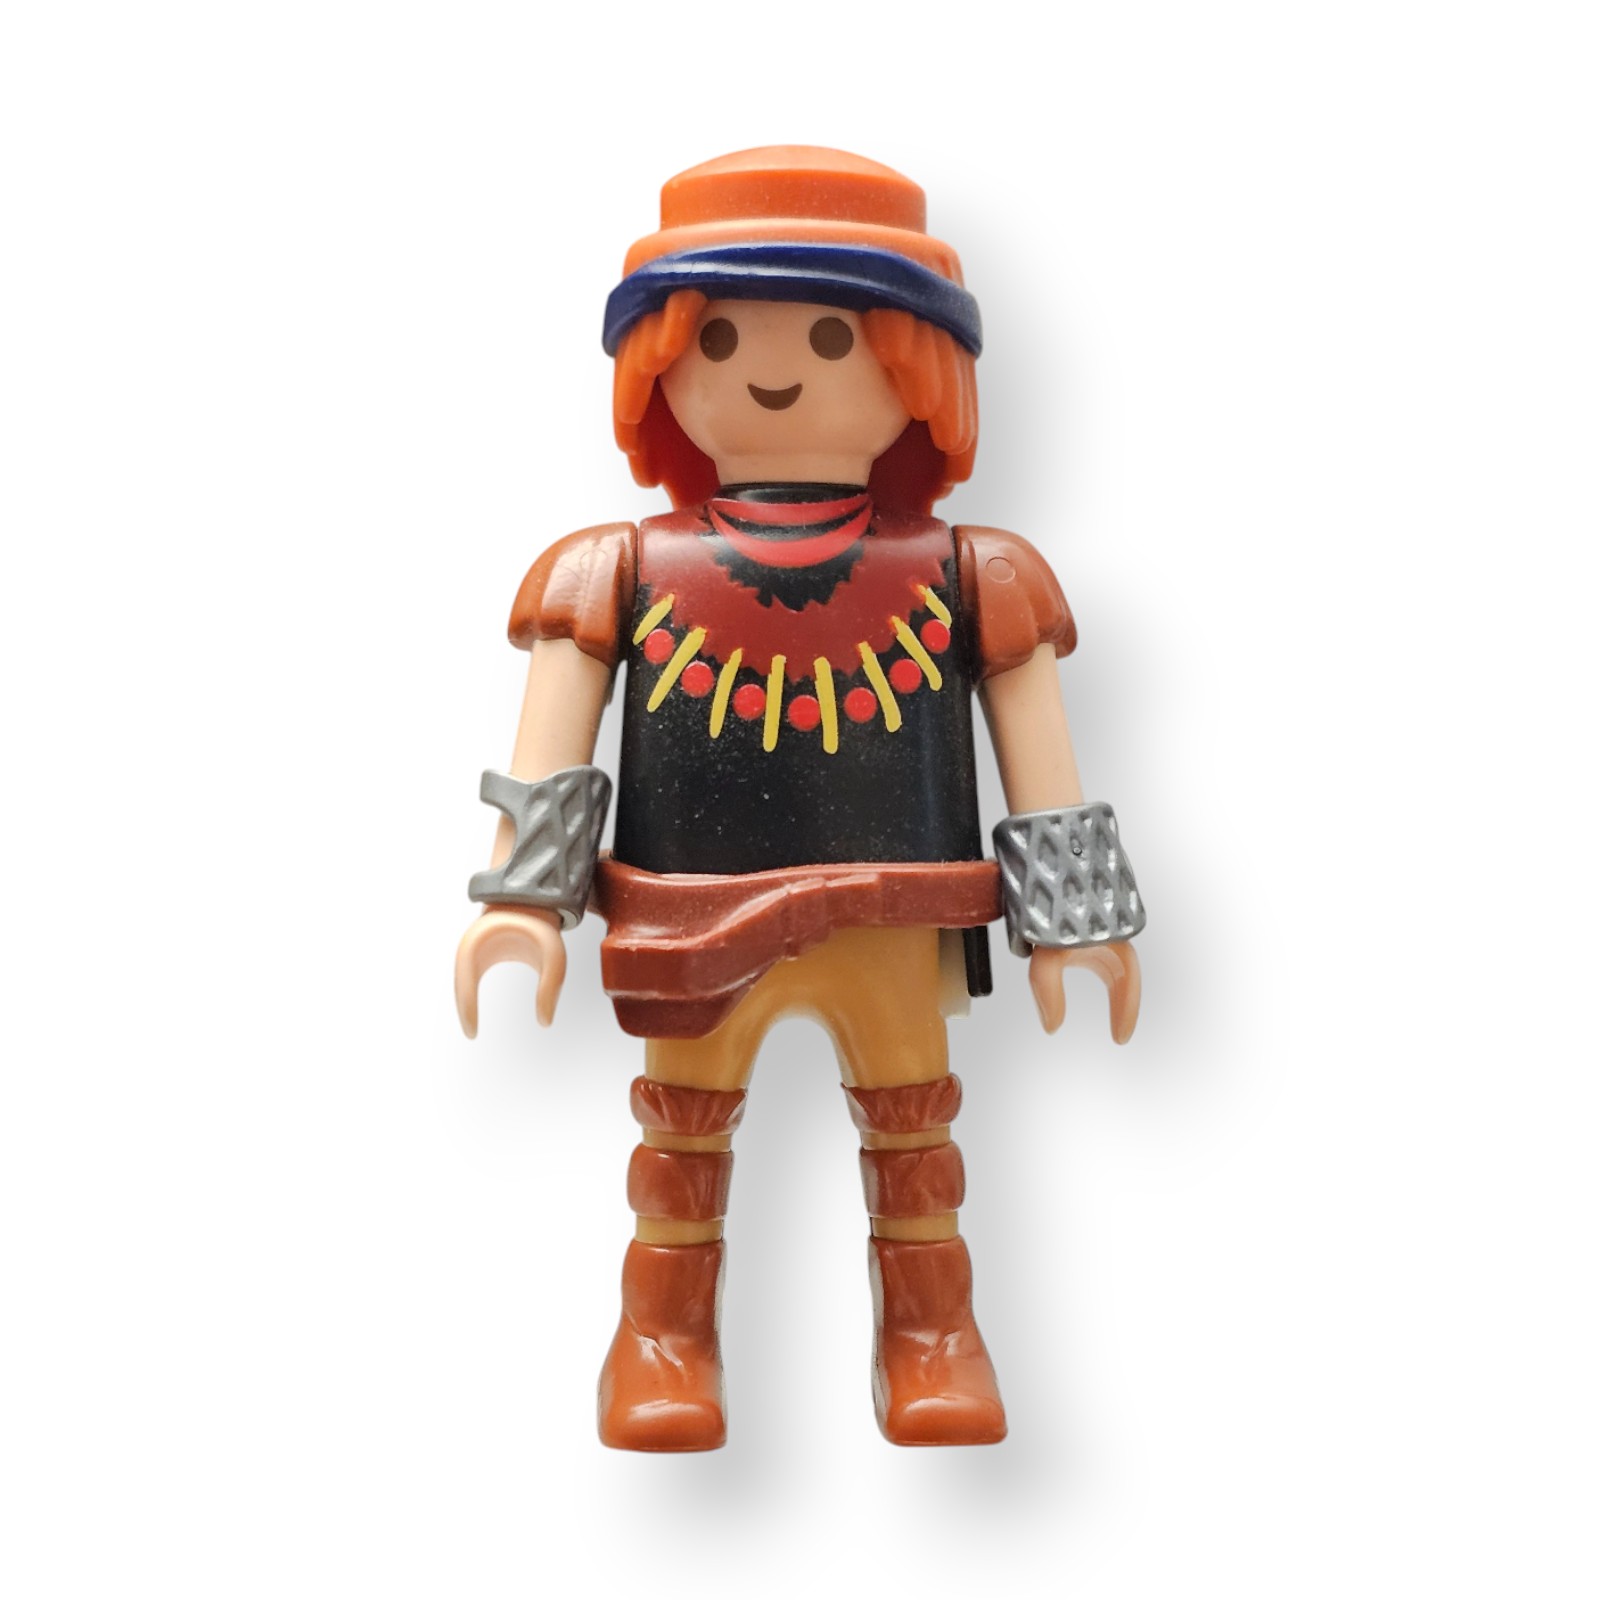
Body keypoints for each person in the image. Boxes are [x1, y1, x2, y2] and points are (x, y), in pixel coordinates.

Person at [454, 147, 1146, 1450]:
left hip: (894, 911)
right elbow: (552, 749)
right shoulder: (615, 569)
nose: (775, 369)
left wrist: (1074, 917)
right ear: (662, 367)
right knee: (683, 1128)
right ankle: (661, 1340)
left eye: (834, 336)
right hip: (690, 919)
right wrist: (524, 900)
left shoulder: (973, 572)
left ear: (917, 370)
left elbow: (1036, 745)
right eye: (718, 336)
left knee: (913, 1124)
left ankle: (932, 1337)